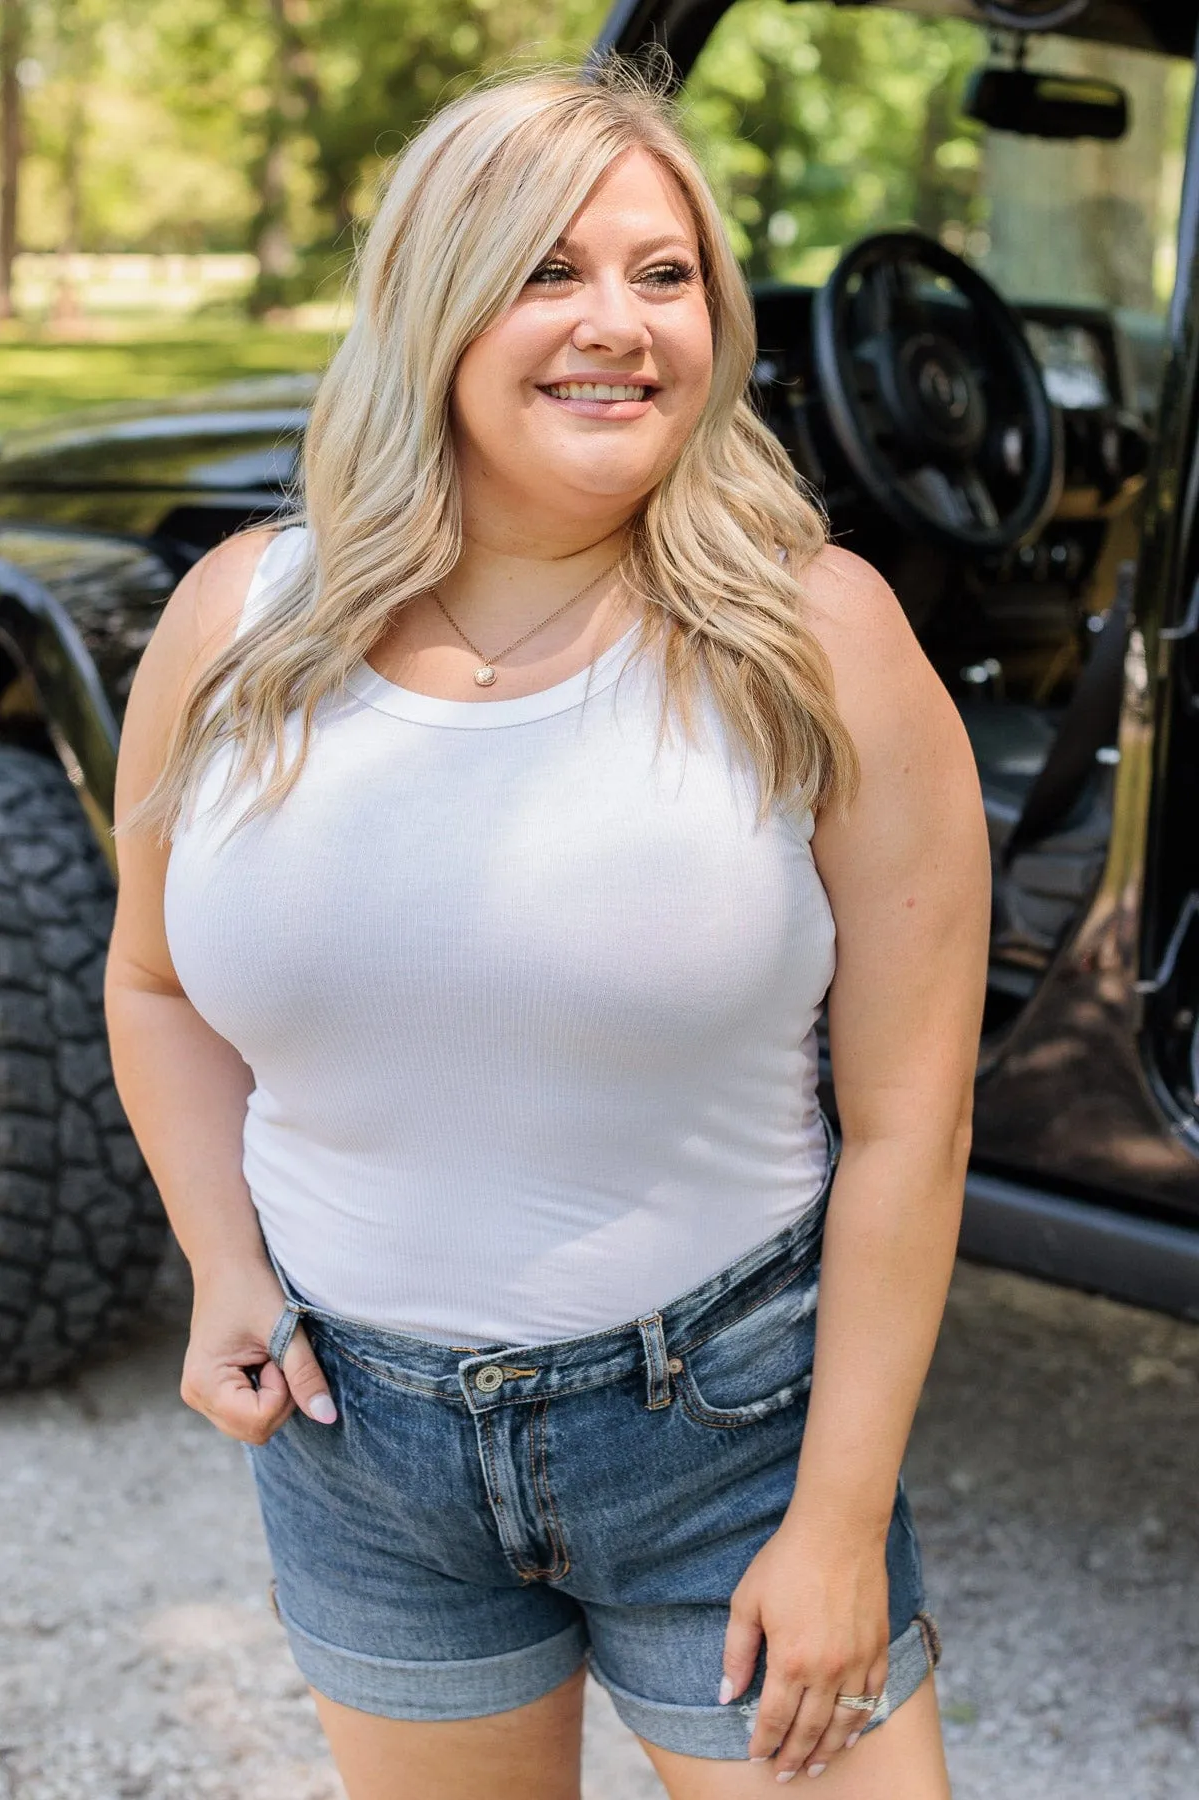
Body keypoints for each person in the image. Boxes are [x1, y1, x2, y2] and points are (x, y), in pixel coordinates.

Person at [105, 63, 988, 1800]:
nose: (620, 325)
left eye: (665, 275)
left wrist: (838, 1520)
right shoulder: (236, 623)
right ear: (433, 303)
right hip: (360, 1450)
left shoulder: (818, 638)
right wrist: (223, 1258)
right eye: (548, 271)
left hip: (726, 1440)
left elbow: (911, 1125)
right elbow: (153, 983)